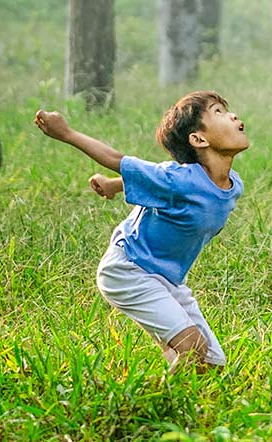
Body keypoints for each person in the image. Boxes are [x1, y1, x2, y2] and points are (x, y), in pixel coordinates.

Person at [33, 91, 248, 368]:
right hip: (129, 270)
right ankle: (148, 405)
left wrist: (114, 184)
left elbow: (157, 183)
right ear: (198, 139)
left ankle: (177, 374)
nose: (232, 116)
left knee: (211, 363)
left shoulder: (233, 185)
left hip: (167, 279)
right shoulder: (179, 179)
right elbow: (118, 159)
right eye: (218, 112)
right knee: (192, 350)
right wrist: (66, 133)